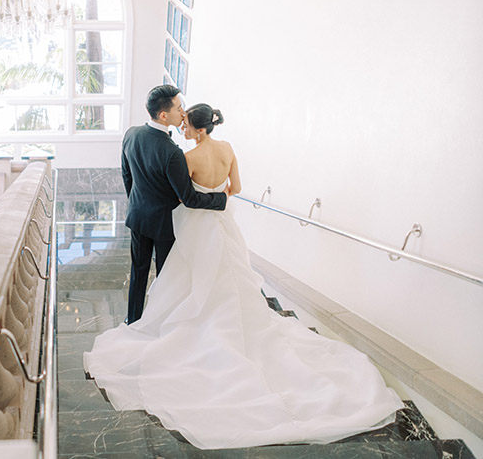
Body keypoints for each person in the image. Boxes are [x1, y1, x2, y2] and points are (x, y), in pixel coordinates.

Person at [84, 103, 403, 449]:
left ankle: (195, 328)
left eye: (188, 124)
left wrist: (201, 199)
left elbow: (185, 199)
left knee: (189, 279)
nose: (183, 128)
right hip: (224, 227)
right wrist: (219, 197)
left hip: (198, 226)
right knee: (231, 276)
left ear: (200, 130)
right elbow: (234, 187)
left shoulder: (187, 159)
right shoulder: (228, 149)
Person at [121, 85, 227, 325]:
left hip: (138, 217)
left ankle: (133, 319)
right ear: (163, 115)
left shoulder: (131, 134)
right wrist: (221, 199)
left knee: (138, 272)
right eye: (179, 108)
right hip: (164, 226)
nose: (183, 113)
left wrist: (138, 203)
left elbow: (127, 176)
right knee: (165, 277)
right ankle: (161, 323)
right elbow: (189, 198)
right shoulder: (172, 152)